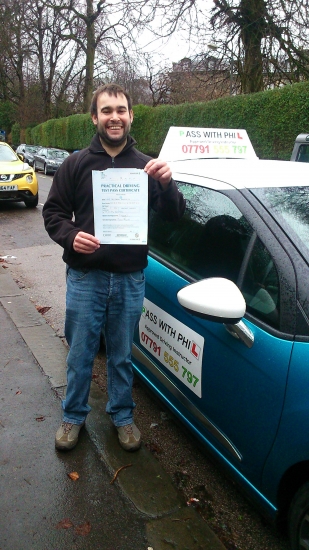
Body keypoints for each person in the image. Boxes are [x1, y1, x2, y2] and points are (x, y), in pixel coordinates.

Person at [42, 83, 185, 453]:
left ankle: (122, 416)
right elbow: (53, 213)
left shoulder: (146, 167)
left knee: (122, 354)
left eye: (121, 110)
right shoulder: (75, 164)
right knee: (80, 353)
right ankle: (73, 416)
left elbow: (175, 215)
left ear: (131, 115)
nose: (114, 117)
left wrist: (168, 185)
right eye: (106, 111)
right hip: (85, 278)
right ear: (95, 117)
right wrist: (71, 236)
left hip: (129, 279)